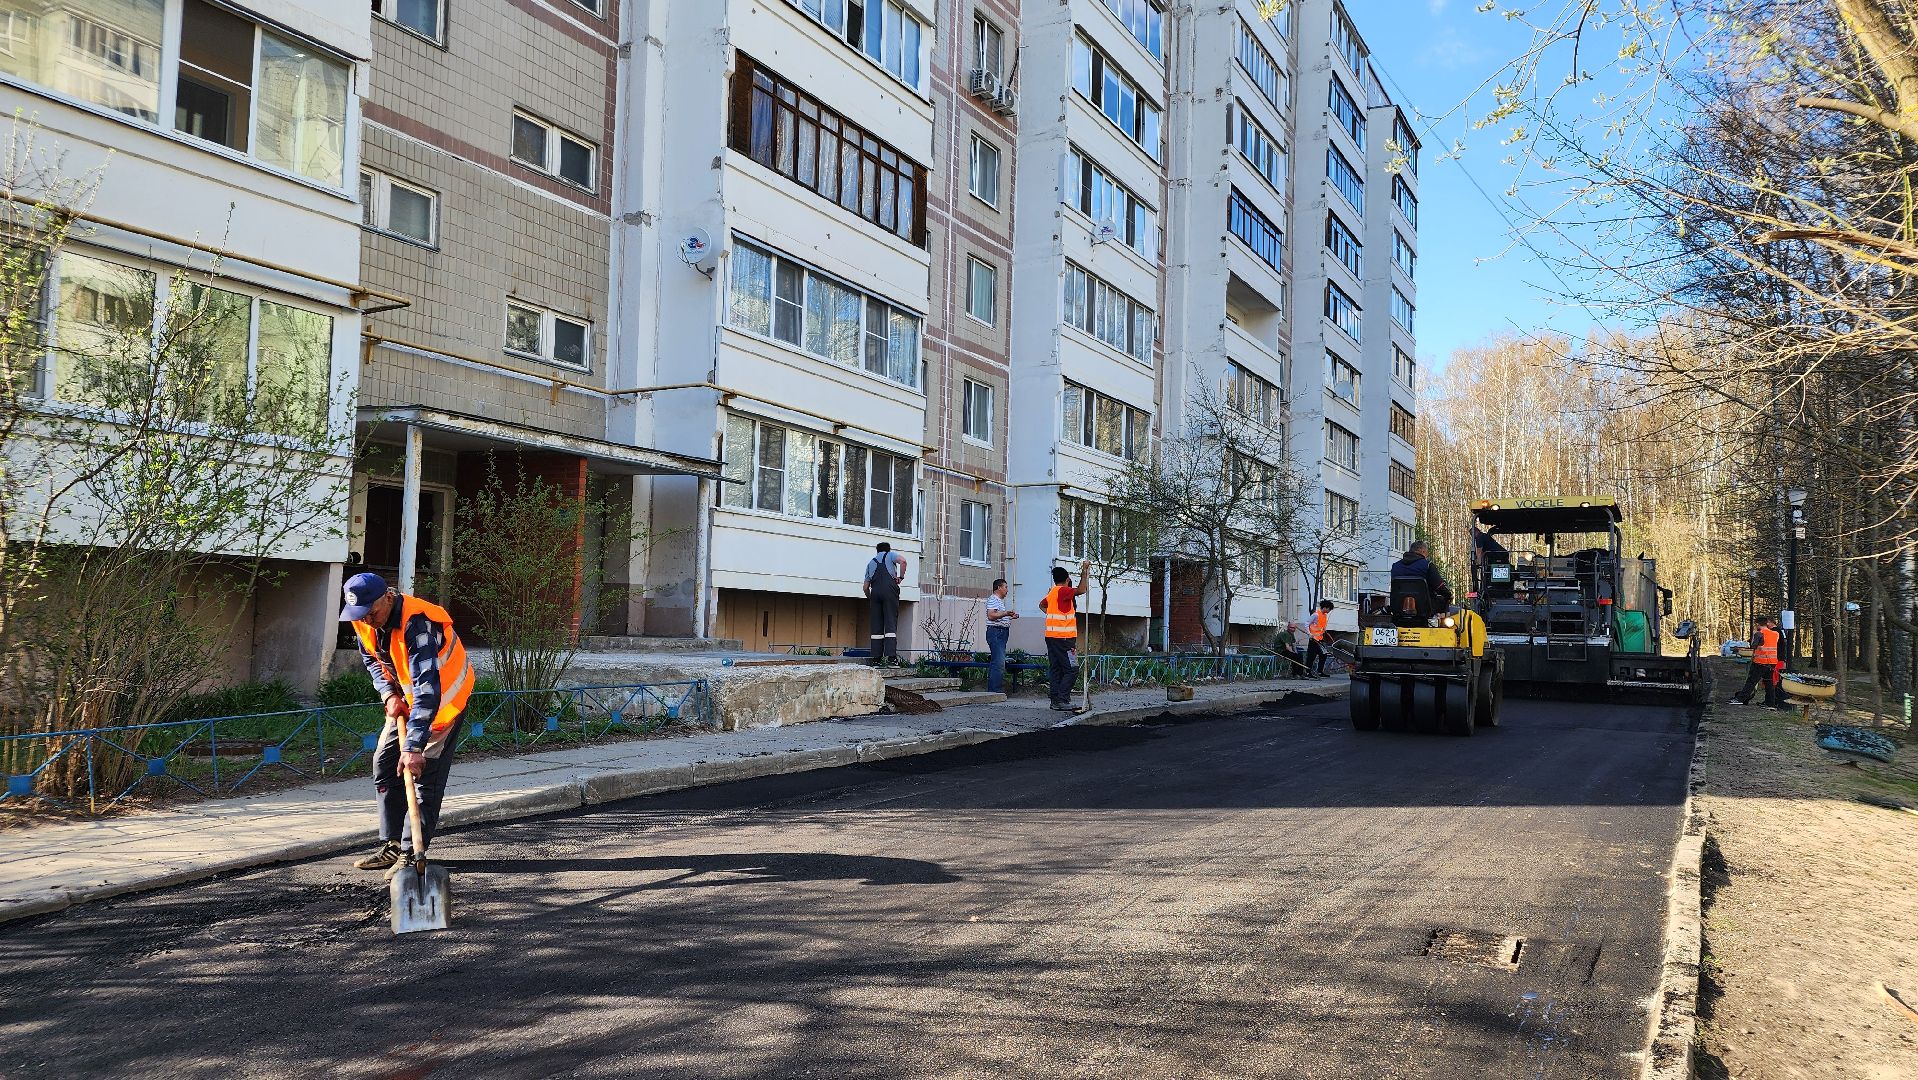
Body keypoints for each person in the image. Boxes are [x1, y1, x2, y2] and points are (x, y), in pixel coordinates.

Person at [341, 573, 474, 878]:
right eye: (361, 614)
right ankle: (391, 844)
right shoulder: (363, 615)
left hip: (442, 704)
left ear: (388, 596)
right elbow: (371, 658)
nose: (367, 620)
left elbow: (428, 689)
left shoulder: (419, 625)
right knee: (385, 764)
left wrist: (414, 747)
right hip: (406, 699)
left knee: (421, 774)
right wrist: (388, 694)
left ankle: (411, 852)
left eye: (372, 613)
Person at [1040, 559, 1090, 710]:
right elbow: (1082, 590)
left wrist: (1051, 616)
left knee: (1056, 668)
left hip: (1051, 636)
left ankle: (1055, 701)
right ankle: (1062, 699)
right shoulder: (1063, 591)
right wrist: (1085, 571)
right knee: (1072, 669)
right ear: (1067, 579)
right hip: (1064, 638)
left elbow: (1041, 605)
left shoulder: (1052, 592)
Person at [862, 542, 908, 666]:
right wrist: (901, 577)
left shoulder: (871, 563)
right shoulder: (890, 555)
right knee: (890, 624)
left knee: (876, 626)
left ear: (877, 551)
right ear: (887, 550)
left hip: (875, 593)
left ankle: (876, 659)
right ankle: (891, 659)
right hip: (889, 591)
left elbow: (866, 587)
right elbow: (903, 561)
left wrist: (871, 598)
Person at [1732, 614, 1785, 708]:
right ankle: (1770, 704)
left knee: (1751, 681)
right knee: (1769, 683)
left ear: (1758, 624)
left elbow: (1753, 646)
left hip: (1760, 661)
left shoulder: (1759, 634)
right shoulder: (1775, 634)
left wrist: (1754, 635)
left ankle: (1740, 699)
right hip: (1772, 662)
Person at [1391, 540, 1454, 609]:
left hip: (1399, 606)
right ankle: (1439, 618)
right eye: (1426, 553)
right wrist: (1448, 595)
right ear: (1422, 551)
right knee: (1443, 600)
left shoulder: (1395, 566)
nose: (1426, 556)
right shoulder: (1428, 565)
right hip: (1424, 607)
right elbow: (1439, 587)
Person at [983, 578, 1019, 693]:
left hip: (1000, 632)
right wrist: (1006, 613)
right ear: (999, 587)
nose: (1007, 590)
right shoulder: (993, 599)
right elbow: (991, 615)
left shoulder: (999, 601)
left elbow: (998, 616)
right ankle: (994, 691)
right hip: (996, 632)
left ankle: (995, 690)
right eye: (1006, 587)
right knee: (998, 662)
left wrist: (1009, 616)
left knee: (999, 661)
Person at [1304, 599, 1334, 678]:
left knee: (1323, 654)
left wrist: (1324, 630)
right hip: (1313, 639)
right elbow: (1307, 623)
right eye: (1329, 609)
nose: (1329, 611)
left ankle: (1320, 671)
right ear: (1325, 607)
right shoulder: (1316, 614)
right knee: (1311, 656)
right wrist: (1309, 633)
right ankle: (1308, 672)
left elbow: (1320, 625)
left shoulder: (1324, 615)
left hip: (1320, 639)